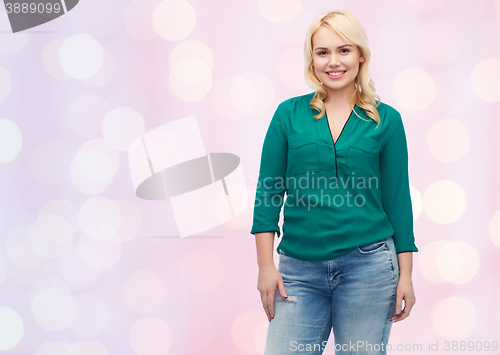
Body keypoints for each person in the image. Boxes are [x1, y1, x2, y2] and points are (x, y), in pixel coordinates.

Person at [250, 9, 418, 355]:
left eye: (343, 50)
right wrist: (265, 266)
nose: (333, 62)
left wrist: (406, 274)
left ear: (360, 55)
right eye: (322, 52)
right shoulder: (288, 114)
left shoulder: (386, 120)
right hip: (297, 270)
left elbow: (398, 199)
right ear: (311, 60)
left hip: (369, 268)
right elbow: (268, 191)